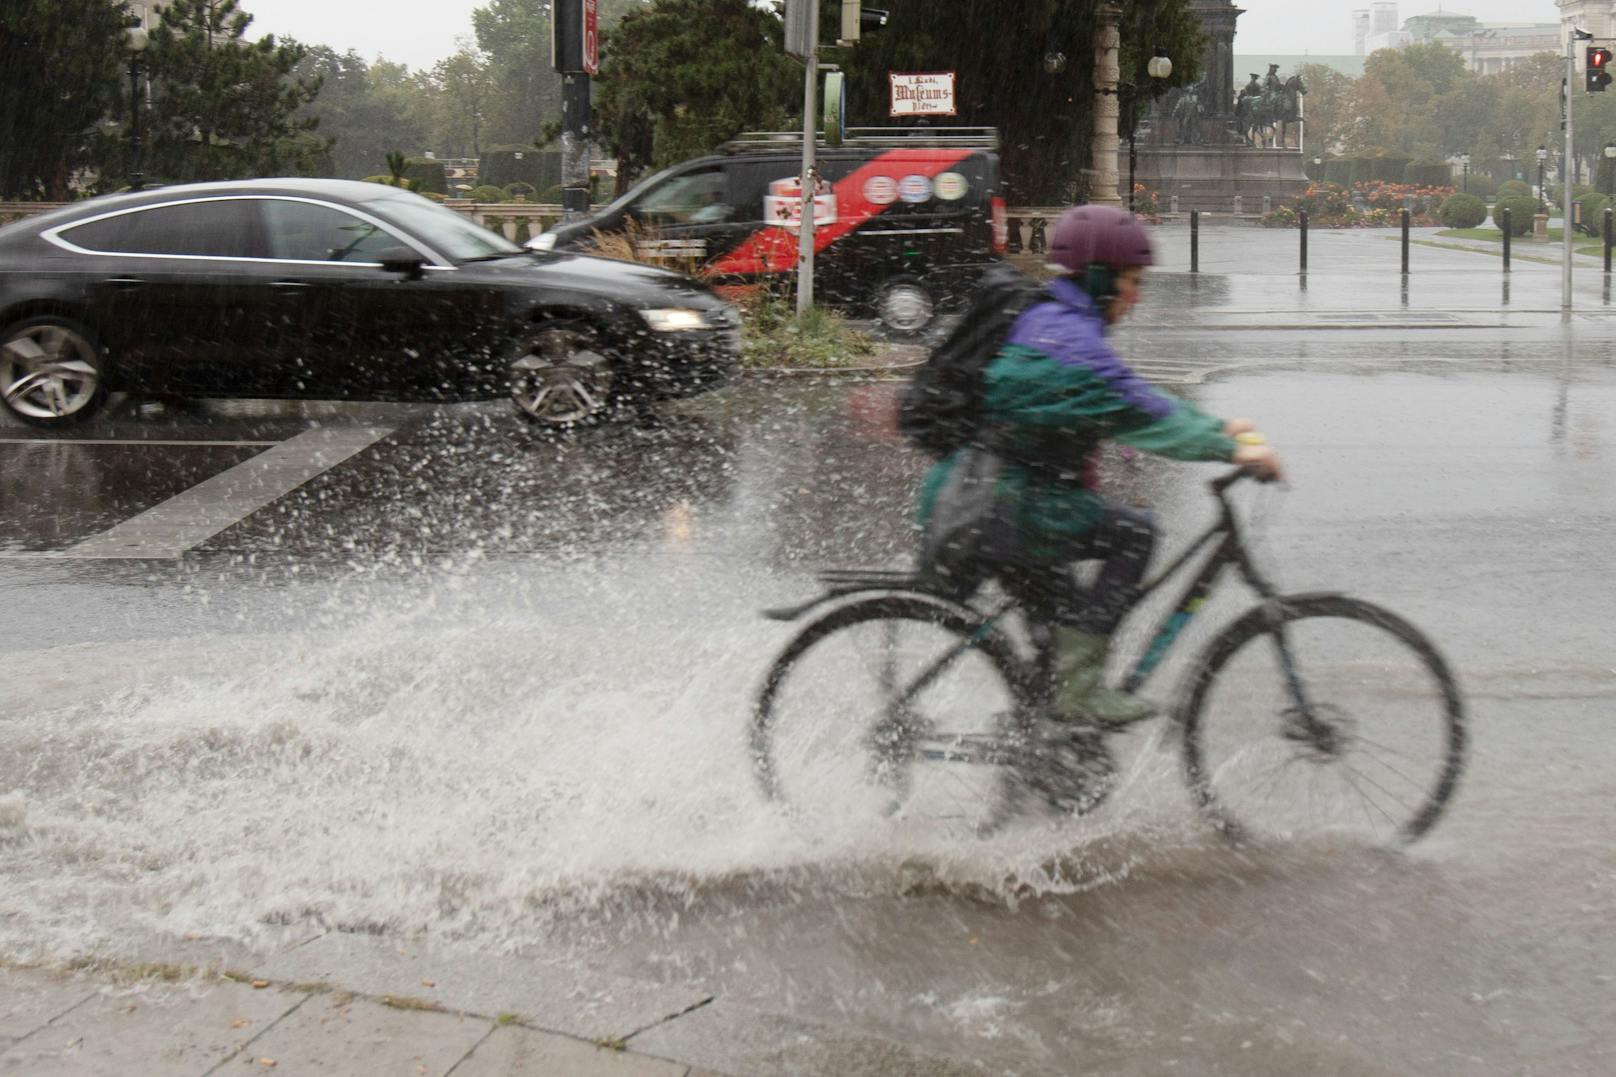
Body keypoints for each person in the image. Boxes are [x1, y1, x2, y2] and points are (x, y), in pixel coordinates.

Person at [917, 205, 1283, 727]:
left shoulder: (1059, 321)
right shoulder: (1067, 340)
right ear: (1099, 278)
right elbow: (1131, 410)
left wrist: (1216, 429)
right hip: (997, 504)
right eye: (1133, 281)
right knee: (1132, 533)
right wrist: (1233, 450)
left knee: (1058, 622)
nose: (1139, 295)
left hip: (988, 496)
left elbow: (1132, 394)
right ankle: (1080, 693)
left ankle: (1044, 746)